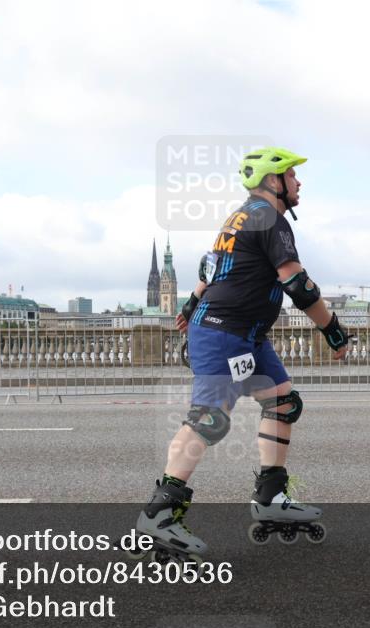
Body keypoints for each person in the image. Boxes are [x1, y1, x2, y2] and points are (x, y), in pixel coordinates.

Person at [136, 147, 349, 554]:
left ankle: (271, 498)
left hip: (245, 334)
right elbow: (298, 285)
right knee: (209, 420)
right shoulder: (270, 217)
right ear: (274, 181)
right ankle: (160, 515)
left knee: (283, 403)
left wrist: (190, 303)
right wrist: (333, 330)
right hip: (225, 333)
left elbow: (210, 269)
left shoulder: (240, 215)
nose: (298, 182)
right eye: (291, 175)